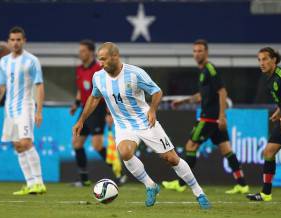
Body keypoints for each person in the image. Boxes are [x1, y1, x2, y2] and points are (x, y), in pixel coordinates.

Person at [73, 42, 210, 209]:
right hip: (124, 125)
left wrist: (152, 110)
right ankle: (150, 185)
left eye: (103, 59)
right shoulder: (98, 77)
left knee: (171, 158)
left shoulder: (135, 73)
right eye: (99, 60)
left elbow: (157, 92)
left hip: (145, 122)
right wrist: (81, 120)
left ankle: (199, 192)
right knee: (124, 152)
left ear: (115, 57)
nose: (100, 63)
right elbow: (94, 98)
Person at [162, 39, 249, 194]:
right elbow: (201, 95)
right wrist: (184, 101)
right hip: (214, 119)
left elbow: (223, 92)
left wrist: (222, 116)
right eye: (195, 51)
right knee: (226, 149)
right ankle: (242, 185)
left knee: (190, 146)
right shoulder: (203, 72)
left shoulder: (210, 69)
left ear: (206, 52)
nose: (197, 53)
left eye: (200, 50)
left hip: (209, 118)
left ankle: (181, 184)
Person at [0, 26, 46, 195]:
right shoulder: (4, 62)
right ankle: (31, 183)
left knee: (26, 143)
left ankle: (39, 182)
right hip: (9, 110)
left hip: (25, 106)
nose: (15, 43)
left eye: (19, 39)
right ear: (8, 41)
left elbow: (39, 86)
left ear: (24, 41)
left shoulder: (32, 61)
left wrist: (39, 110)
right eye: (12, 40)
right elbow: (0, 88)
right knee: (17, 146)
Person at [69, 40, 123, 186]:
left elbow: (107, 90)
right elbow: (81, 90)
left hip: (99, 109)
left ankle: (119, 173)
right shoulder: (79, 69)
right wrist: (75, 104)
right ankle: (84, 179)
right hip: (85, 109)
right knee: (76, 143)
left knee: (97, 145)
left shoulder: (100, 69)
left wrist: (109, 113)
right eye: (80, 51)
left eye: (84, 51)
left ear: (92, 52)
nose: (81, 53)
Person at [247, 47, 281, 201]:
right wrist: (280, 111)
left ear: (274, 60)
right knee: (268, 152)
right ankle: (266, 193)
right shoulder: (269, 78)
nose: (261, 63)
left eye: (265, 59)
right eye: (259, 60)